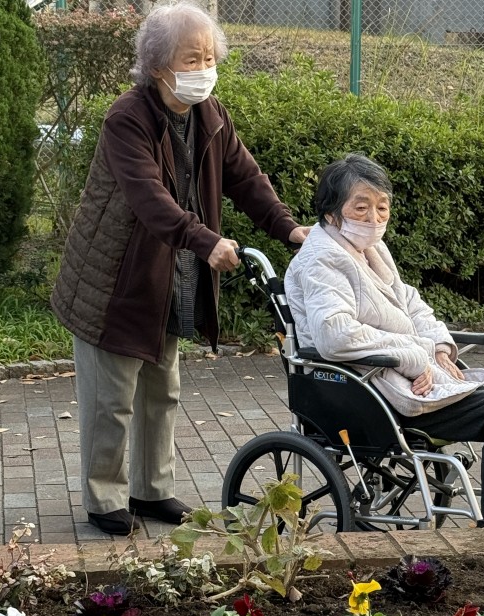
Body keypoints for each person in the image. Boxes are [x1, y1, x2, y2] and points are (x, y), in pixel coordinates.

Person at [51, 1, 309, 535]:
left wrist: (288, 228)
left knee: (161, 390)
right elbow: (149, 198)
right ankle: (104, 498)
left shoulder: (211, 114)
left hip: (169, 278)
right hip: (114, 281)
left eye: (210, 57)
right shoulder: (127, 118)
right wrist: (205, 240)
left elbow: (246, 179)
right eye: (192, 58)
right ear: (157, 65)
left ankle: (152, 490)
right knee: (111, 400)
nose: (204, 68)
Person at [284, 153, 484, 527]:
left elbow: (410, 303)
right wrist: (414, 357)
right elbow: (335, 335)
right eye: (361, 207)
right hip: (371, 391)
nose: (374, 218)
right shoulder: (322, 259)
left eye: (382, 207)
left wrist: (440, 346)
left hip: (401, 378)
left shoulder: (368, 249)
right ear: (331, 213)